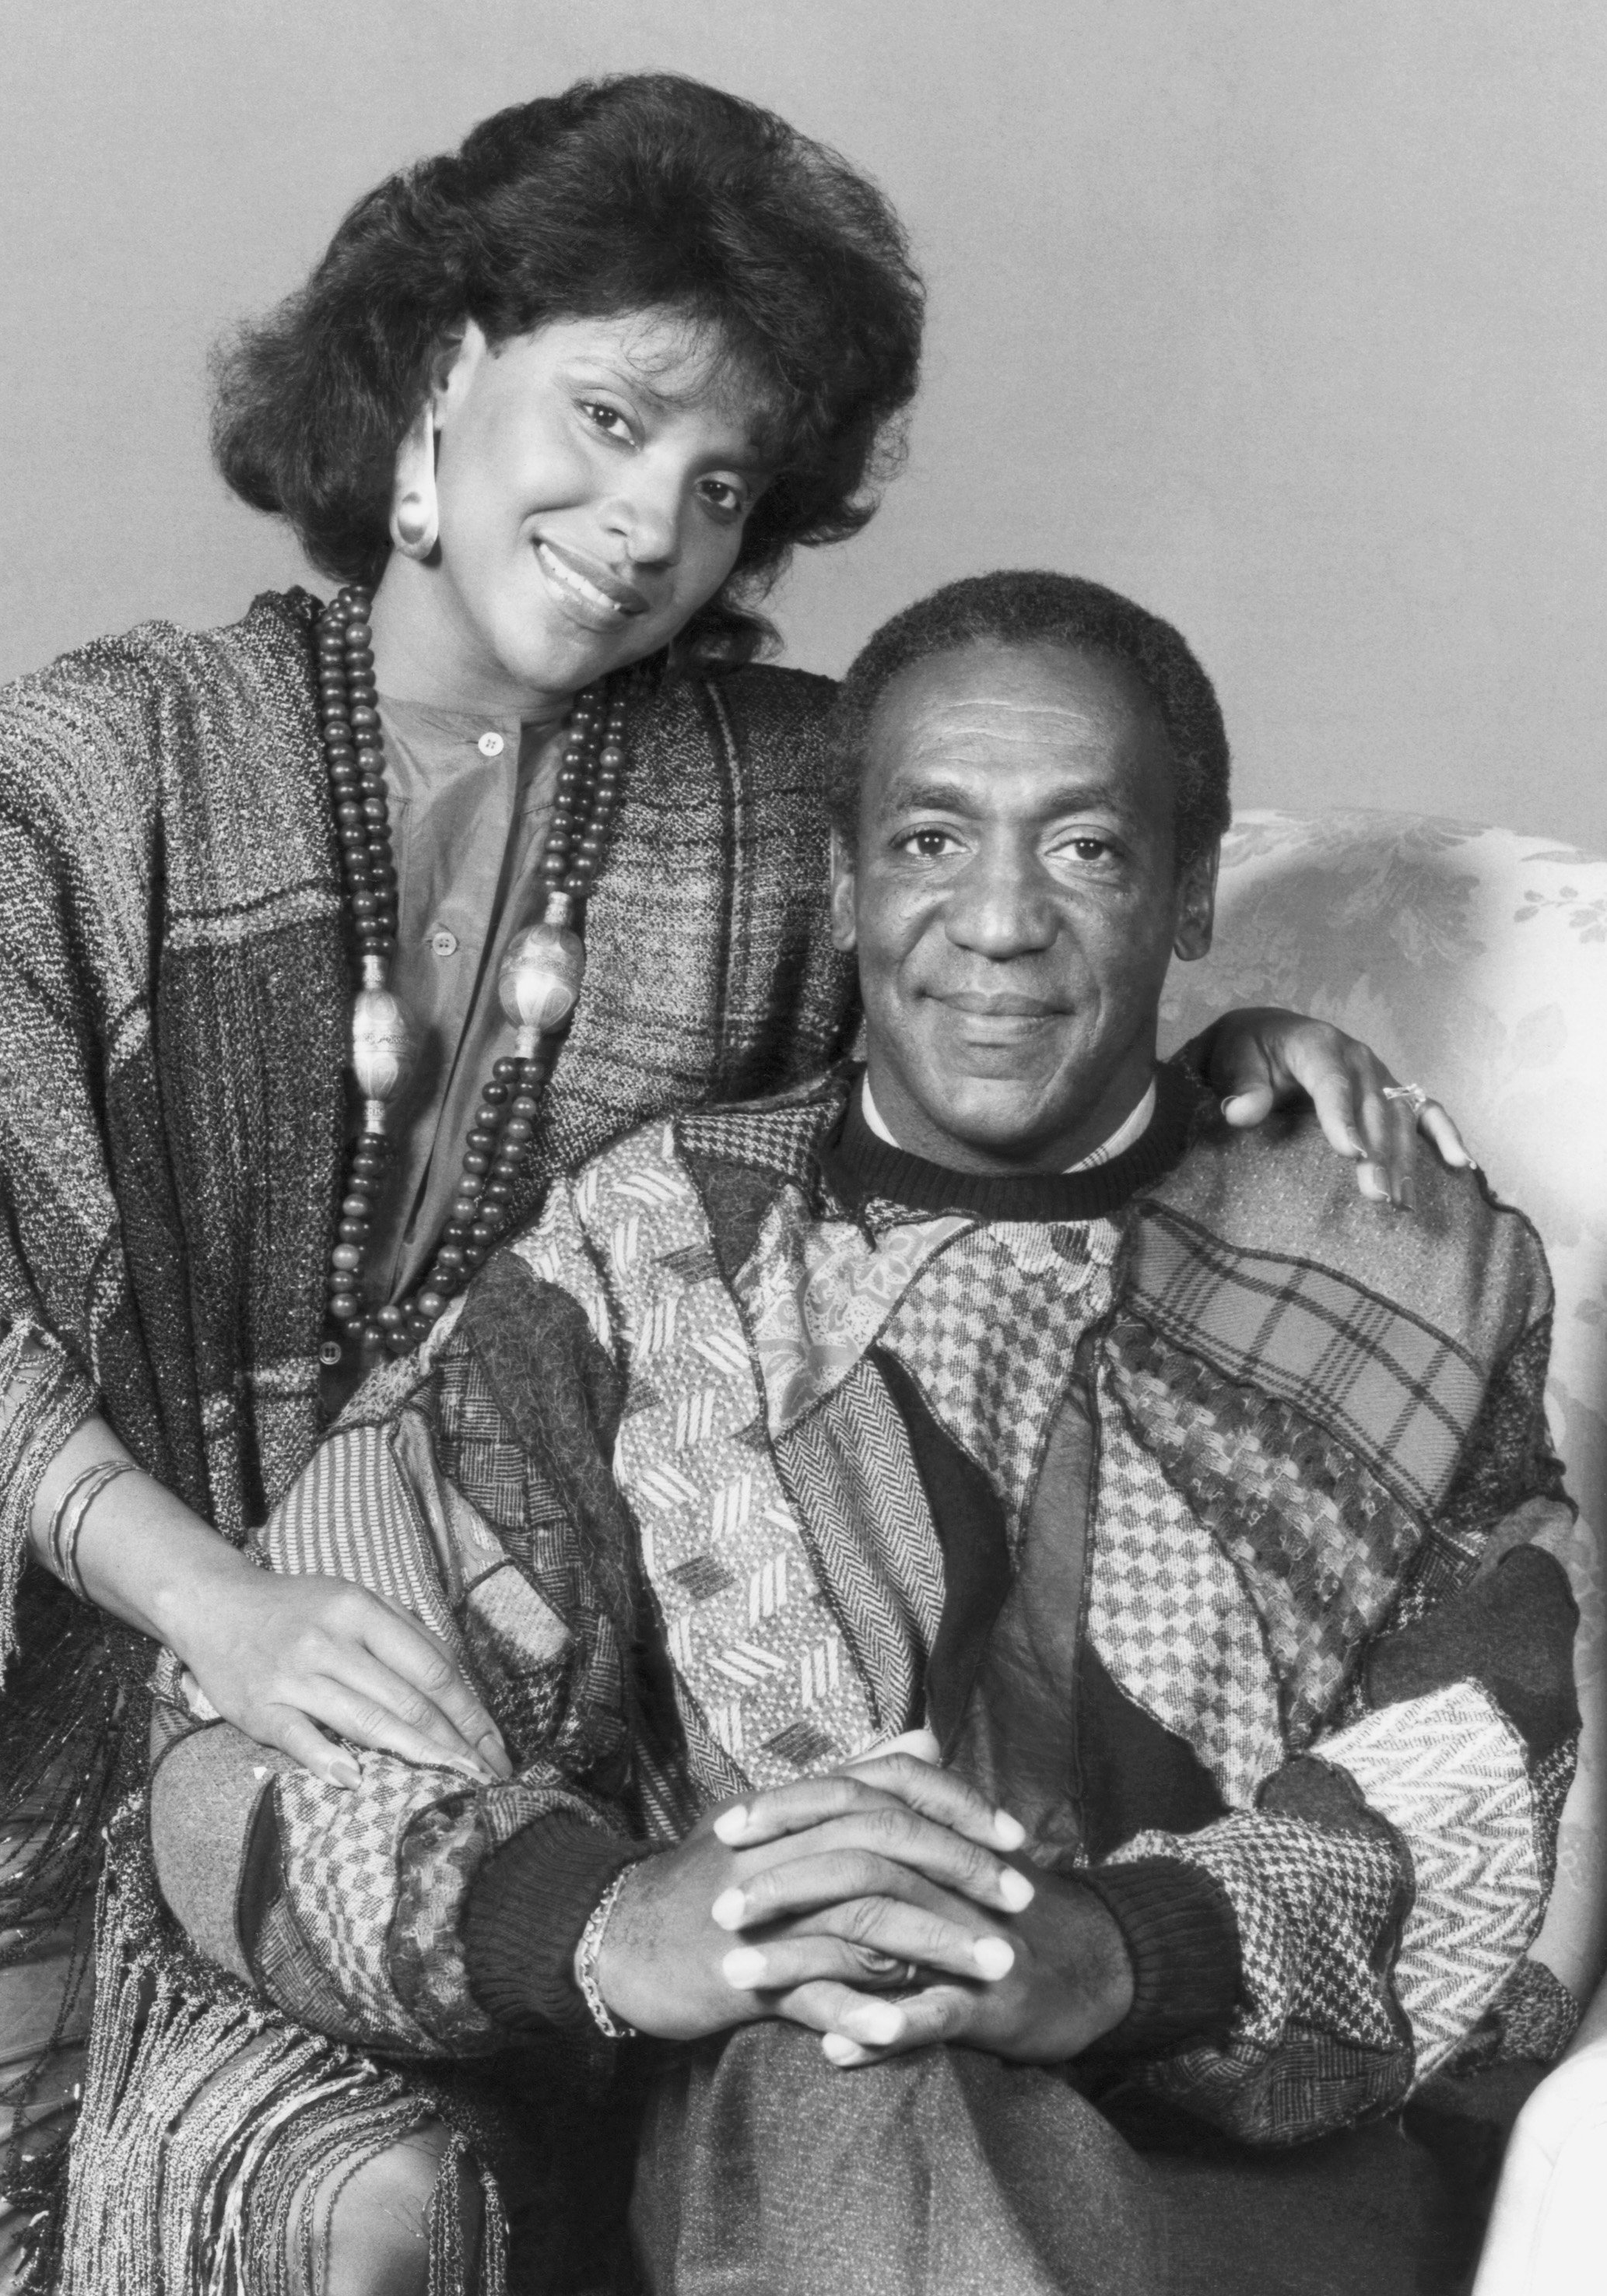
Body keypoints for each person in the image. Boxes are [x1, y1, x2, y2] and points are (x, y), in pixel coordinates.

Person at [0, 77, 1465, 2294]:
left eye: (716, 487)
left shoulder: (764, 784)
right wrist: (226, 1607)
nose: (645, 525)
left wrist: (1239, 1055)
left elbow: (1014, 940)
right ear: (434, 377)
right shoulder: (94, 763)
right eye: (604, 421)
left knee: (408, 2201)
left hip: (529, 1730)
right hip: (59, 1712)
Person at [145, 570, 1581, 2296]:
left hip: (1235, 2168)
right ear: (838, 885)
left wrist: (1114, 1956)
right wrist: (604, 1922)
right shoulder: (644, 1247)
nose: (993, 921)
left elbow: (1478, 1788)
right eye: (924, 843)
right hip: (759, 2151)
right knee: (852, 2085)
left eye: (1083, 851)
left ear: (1188, 895)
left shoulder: (1399, 1264)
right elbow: (244, 1751)